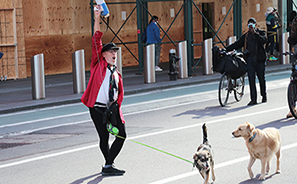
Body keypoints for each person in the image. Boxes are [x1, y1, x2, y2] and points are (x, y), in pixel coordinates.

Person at [81, 4, 126, 176]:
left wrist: (116, 105)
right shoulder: (98, 65)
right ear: (103, 54)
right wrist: (97, 17)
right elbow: (96, 39)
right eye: (111, 51)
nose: (114, 53)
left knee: (121, 135)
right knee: (104, 137)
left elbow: (120, 93)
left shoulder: (117, 73)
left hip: (111, 109)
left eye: (115, 51)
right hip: (97, 108)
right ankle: (109, 165)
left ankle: (108, 164)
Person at [225, 18, 267, 106]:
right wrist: (226, 49)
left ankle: (263, 95)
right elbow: (237, 44)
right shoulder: (246, 36)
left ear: (256, 25)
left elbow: (264, 40)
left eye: (252, 24)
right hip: (250, 60)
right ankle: (253, 99)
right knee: (251, 80)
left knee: (261, 79)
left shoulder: (260, 33)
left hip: (260, 60)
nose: (250, 26)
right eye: (249, 24)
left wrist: (255, 33)